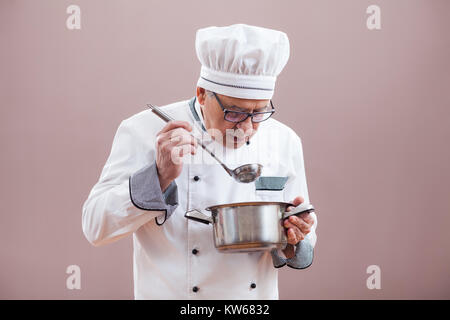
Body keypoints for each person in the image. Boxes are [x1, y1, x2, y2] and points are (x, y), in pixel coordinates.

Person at [82, 24, 318, 300]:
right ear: (202, 94)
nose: (247, 127)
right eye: (234, 113)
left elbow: (300, 239)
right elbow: (96, 227)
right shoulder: (143, 132)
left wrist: (295, 237)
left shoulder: (284, 140)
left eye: (259, 112)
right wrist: (159, 176)